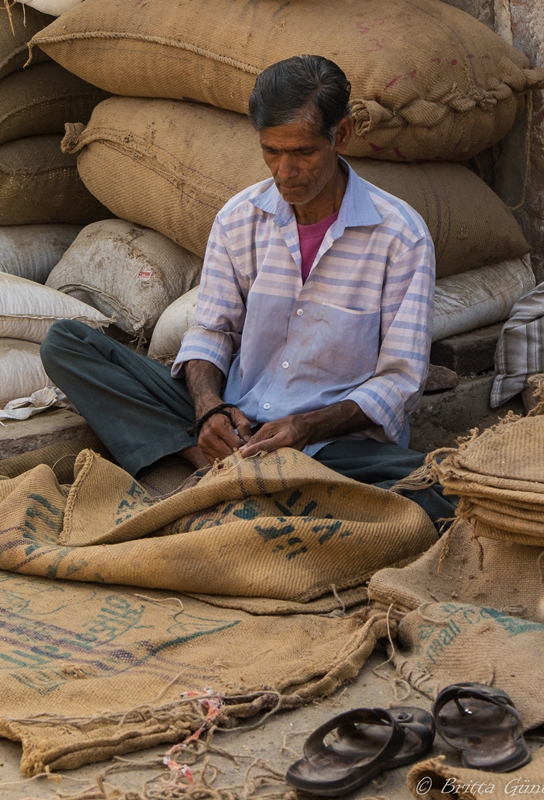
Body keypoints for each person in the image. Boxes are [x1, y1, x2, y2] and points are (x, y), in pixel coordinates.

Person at [40, 55, 454, 523]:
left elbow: (399, 380)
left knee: (444, 487)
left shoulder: (400, 235)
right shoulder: (239, 218)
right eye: (271, 152)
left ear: (341, 136)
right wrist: (208, 408)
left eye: (302, 153)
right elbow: (212, 332)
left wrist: (304, 426)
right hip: (237, 423)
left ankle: (250, 482)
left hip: (331, 447)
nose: (284, 172)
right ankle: (215, 464)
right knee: (68, 343)